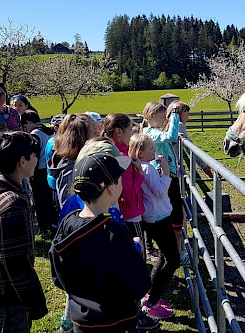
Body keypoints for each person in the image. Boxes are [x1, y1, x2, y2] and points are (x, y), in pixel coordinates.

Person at [49, 152, 152, 333]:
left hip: (82, 320)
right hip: (116, 320)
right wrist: (136, 249)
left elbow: (58, 273)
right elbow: (139, 283)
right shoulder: (113, 232)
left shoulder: (69, 223)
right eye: (119, 179)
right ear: (111, 187)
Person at [0, 131, 48, 332]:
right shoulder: (12, 203)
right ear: (22, 161)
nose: (38, 159)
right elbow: (15, 262)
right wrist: (34, 302)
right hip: (9, 292)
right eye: (34, 155)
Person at [129, 133, 180, 319]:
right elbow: (159, 191)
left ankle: (151, 296)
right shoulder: (147, 168)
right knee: (173, 260)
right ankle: (151, 303)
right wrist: (166, 171)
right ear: (140, 152)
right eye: (151, 148)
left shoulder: (142, 167)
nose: (154, 150)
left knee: (164, 258)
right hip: (159, 218)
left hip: (152, 217)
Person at [141, 101, 190, 266]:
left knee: (175, 215)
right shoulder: (150, 133)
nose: (165, 120)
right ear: (152, 117)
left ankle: (176, 253)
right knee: (174, 216)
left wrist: (174, 138)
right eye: (163, 117)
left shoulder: (153, 132)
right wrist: (175, 114)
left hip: (168, 176)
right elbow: (168, 136)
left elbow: (168, 138)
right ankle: (175, 254)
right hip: (165, 177)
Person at [103, 113, 146, 255]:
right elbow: (128, 191)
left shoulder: (108, 149)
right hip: (130, 211)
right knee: (138, 250)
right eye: (129, 130)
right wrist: (140, 173)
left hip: (116, 211)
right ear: (119, 132)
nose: (131, 134)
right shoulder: (122, 158)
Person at [21, 110, 58, 237]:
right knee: (49, 199)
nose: (26, 128)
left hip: (38, 170)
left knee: (40, 200)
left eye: (25, 125)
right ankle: (53, 223)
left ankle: (44, 227)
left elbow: (34, 154)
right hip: (48, 169)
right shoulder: (48, 131)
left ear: (30, 122)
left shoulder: (35, 133)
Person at [48, 113, 95, 211]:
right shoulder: (70, 169)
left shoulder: (82, 162)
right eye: (94, 133)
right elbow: (69, 208)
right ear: (82, 139)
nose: (99, 136)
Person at [166, 100, 213, 178]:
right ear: (180, 114)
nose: (188, 118)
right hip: (173, 167)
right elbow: (190, 148)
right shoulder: (179, 125)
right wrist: (206, 167)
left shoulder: (165, 123)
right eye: (187, 115)